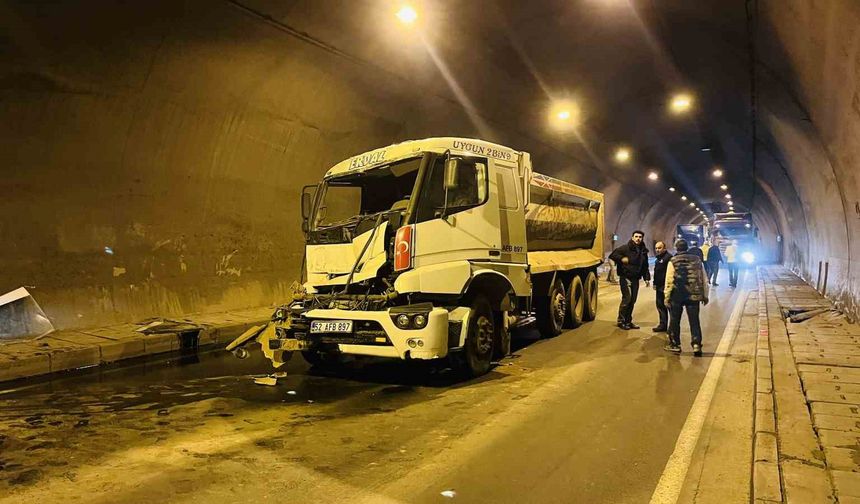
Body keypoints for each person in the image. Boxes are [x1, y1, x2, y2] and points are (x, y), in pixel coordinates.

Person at [664, 239, 710, 355]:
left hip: (677, 294)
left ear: (676, 248)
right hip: (693, 294)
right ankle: (696, 345)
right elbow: (704, 278)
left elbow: (669, 280)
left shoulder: (672, 261)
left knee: (675, 320)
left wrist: (667, 296)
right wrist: (705, 295)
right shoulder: (697, 260)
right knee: (694, 321)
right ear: (687, 247)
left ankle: (675, 344)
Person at [609, 230, 651, 330]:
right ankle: (621, 321)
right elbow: (613, 255)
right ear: (632, 237)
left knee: (633, 300)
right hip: (625, 277)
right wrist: (622, 258)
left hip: (636, 278)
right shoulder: (625, 248)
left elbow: (645, 265)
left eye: (640, 237)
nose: (638, 238)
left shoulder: (643, 251)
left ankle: (628, 321)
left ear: (642, 238)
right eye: (636, 236)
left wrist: (647, 278)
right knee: (627, 299)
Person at [652, 241, 672, 333]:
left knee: (669, 306)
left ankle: (672, 327)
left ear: (664, 248)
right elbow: (657, 273)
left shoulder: (669, 258)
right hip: (659, 286)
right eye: (656, 248)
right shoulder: (658, 259)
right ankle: (663, 324)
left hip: (666, 286)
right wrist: (655, 283)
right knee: (660, 305)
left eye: (659, 248)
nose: (657, 250)